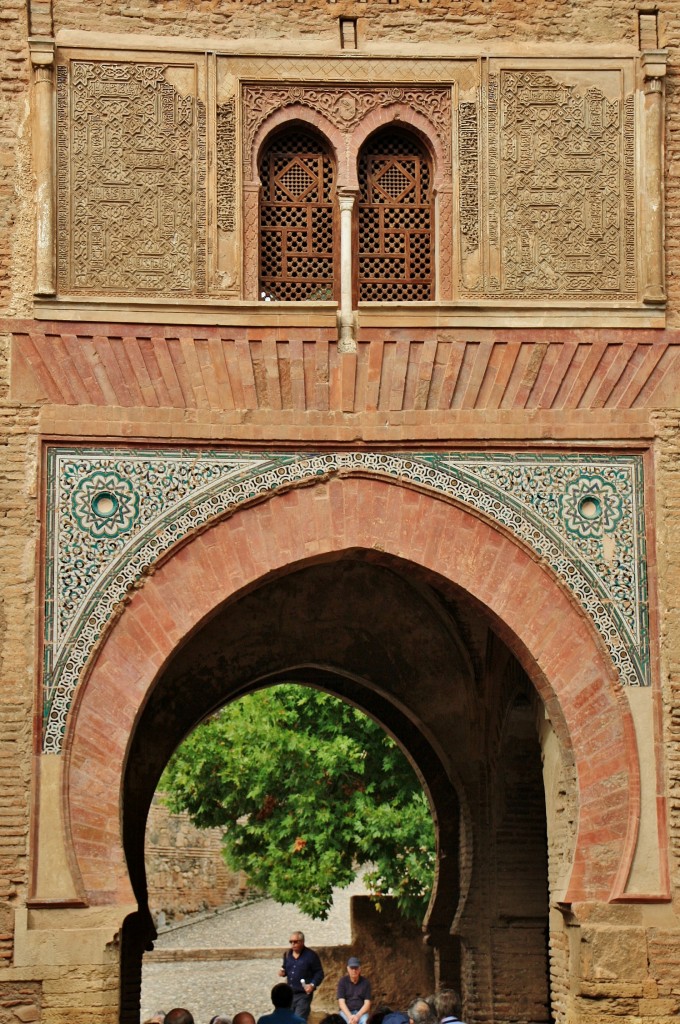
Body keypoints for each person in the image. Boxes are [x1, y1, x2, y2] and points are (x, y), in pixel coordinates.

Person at [279, 930, 325, 1020]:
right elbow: (285, 968)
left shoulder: (311, 956)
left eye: (295, 942)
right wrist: (283, 972)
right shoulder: (287, 954)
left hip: (303, 995)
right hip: (289, 995)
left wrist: (312, 985)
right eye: (291, 942)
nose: (293, 944)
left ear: (302, 942)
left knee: (299, 1020)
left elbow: (319, 973)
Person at [337, 957, 372, 1024]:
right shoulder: (342, 982)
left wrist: (357, 1016)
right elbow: (341, 1003)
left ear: (359, 969)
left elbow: (367, 1004)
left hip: (361, 1013)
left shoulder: (366, 982)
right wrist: (350, 1017)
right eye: (351, 968)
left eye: (356, 968)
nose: (354, 970)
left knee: (365, 1022)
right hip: (346, 1012)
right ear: (347, 969)